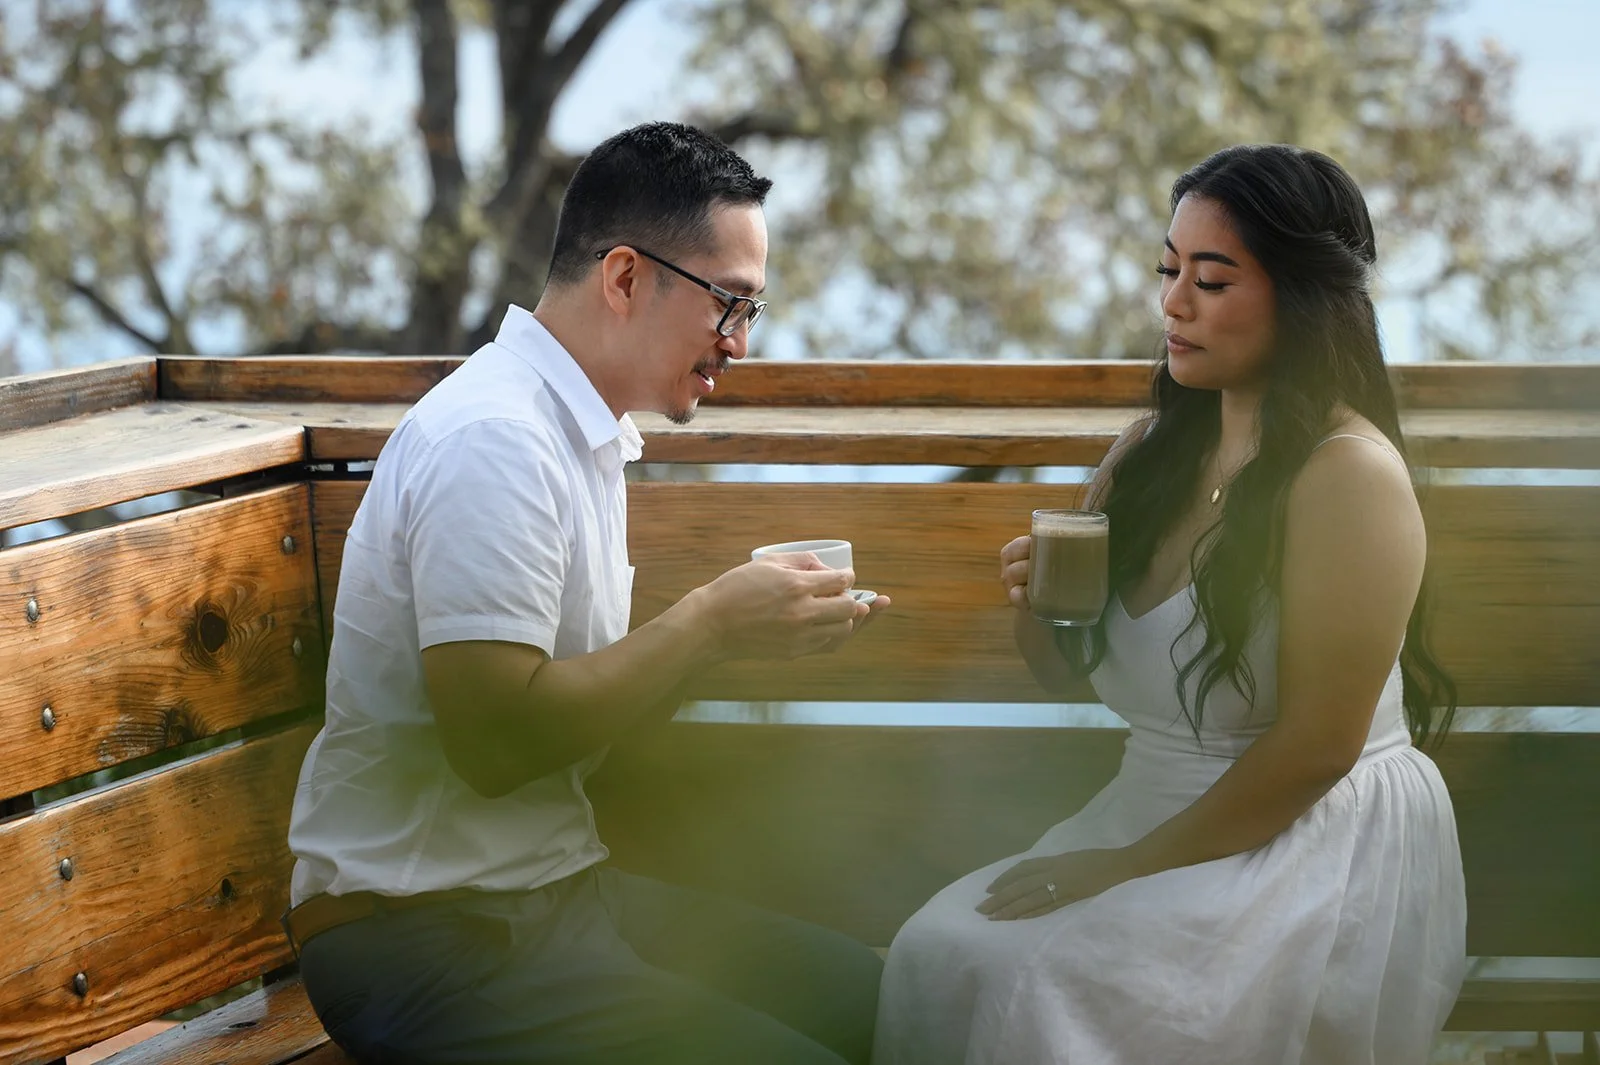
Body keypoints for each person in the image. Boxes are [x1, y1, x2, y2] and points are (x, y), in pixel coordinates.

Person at [284, 121, 889, 1065]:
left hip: (557, 893)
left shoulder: (579, 433)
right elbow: (494, 742)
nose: (737, 343)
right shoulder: (496, 438)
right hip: (424, 936)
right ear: (623, 278)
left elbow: (573, 731)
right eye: (727, 306)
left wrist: (733, 640)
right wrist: (705, 621)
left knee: (887, 1002)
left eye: (750, 313)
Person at [873, 144, 1467, 1064]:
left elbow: (1316, 749)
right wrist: (1036, 604)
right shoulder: (1150, 450)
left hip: (1307, 835)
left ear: (1304, 297)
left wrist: (1115, 872)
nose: (1173, 303)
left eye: (1213, 279)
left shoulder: (1347, 478)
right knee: (936, 949)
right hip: (1149, 804)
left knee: (1037, 984)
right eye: (1169, 269)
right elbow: (1064, 673)